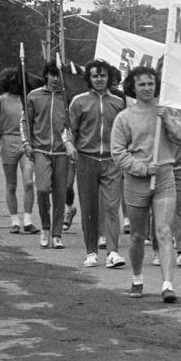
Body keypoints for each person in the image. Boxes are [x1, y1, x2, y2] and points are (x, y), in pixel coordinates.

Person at [111, 66, 181, 303]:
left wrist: (167, 119)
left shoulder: (168, 112)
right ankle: (137, 277)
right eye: (141, 84)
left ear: (157, 86)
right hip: (136, 181)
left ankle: (167, 285)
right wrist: (143, 168)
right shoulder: (124, 117)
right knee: (136, 236)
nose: (146, 88)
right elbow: (117, 153)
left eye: (150, 83)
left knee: (164, 231)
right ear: (133, 87)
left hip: (165, 176)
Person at [68, 60, 128, 269]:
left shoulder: (119, 102)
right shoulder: (78, 101)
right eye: (95, 76)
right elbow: (69, 129)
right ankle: (91, 252)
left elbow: (124, 131)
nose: (99, 80)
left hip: (112, 160)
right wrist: (69, 145)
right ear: (89, 79)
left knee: (112, 207)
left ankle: (112, 252)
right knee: (89, 208)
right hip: (86, 159)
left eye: (103, 76)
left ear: (109, 78)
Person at [21, 62, 73, 249]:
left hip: (62, 151)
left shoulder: (68, 98)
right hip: (41, 150)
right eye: (52, 74)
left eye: (59, 75)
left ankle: (57, 234)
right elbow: (25, 121)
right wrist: (26, 143)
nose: (56, 78)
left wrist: (71, 144)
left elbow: (71, 124)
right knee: (42, 189)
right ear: (46, 75)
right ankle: (45, 227)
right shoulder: (34, 96)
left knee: (60, 193)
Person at [0, 68, 37, 233]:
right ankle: (15, 221)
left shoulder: (29, 98)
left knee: (29, 182)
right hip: (8, 142)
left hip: (26, 143)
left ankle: (28, 221)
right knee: (11, 185)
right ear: (7, 83)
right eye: (13, 81)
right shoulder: (0, 100)